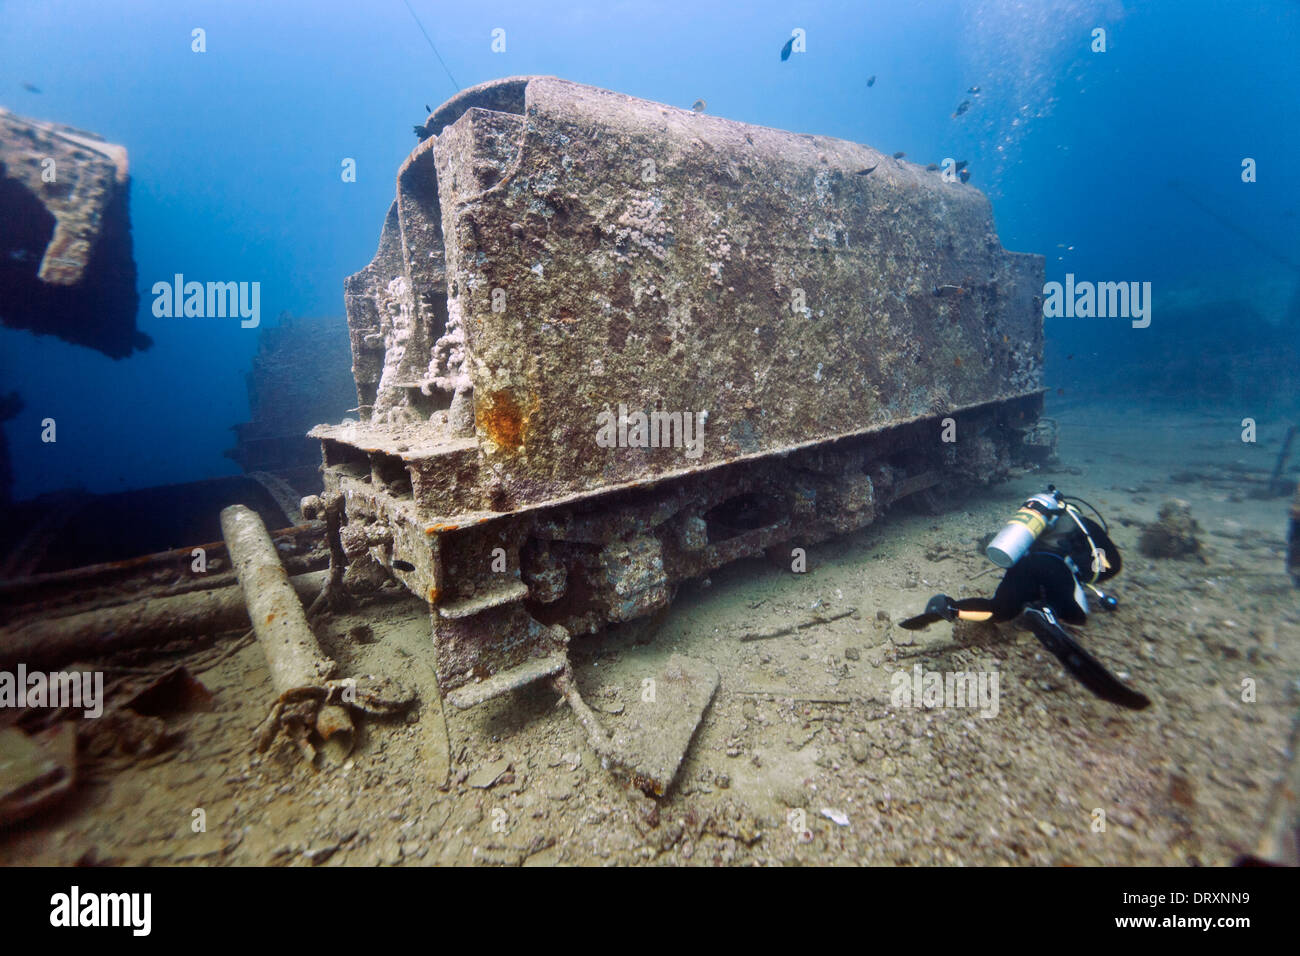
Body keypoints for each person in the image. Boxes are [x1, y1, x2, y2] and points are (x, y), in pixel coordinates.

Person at [900, 489, 1150, 710]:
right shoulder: (1085, 526)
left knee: (1000, 610)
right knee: (1076, 615)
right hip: (1054, 568)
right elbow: (1112, 565)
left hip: (1024, 565)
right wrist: (1085, 574)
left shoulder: (1034, 527)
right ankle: (1045, 612)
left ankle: (949, 607)